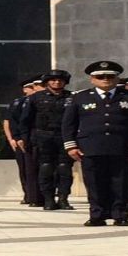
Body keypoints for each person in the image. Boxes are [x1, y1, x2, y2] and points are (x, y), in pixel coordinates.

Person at [63, 61, 128, 227]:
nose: (105, 79)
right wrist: (71, 145)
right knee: (94, 183)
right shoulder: (79, 97)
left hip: (123, 147)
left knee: (122, 183)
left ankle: (121, 215)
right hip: (91, 147)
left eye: (110, 76)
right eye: (100, 76)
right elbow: (69, 124)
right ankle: (97, 215)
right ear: (92, 79)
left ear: (117, 78)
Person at [19, 69, 75, 210]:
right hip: (43, 137)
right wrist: (25, 139)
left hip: (64, 137)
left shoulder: (72, 97)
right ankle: (48, 199)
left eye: (60, 80)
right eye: (53, 80)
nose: (57, 82)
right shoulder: (35, 98)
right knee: (46, 168)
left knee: (65, 168)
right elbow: (25, 120)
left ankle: (63, 199)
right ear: (47, 82)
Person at [4, 77, 38, 205]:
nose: (34, 89)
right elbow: (8, 122)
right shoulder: (18, 103)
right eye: (31, 87)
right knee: (25, 169)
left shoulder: (43, 100)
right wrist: (11, 139)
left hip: (39, 139)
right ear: (25, 89)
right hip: (21, 141)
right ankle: (28, 195)